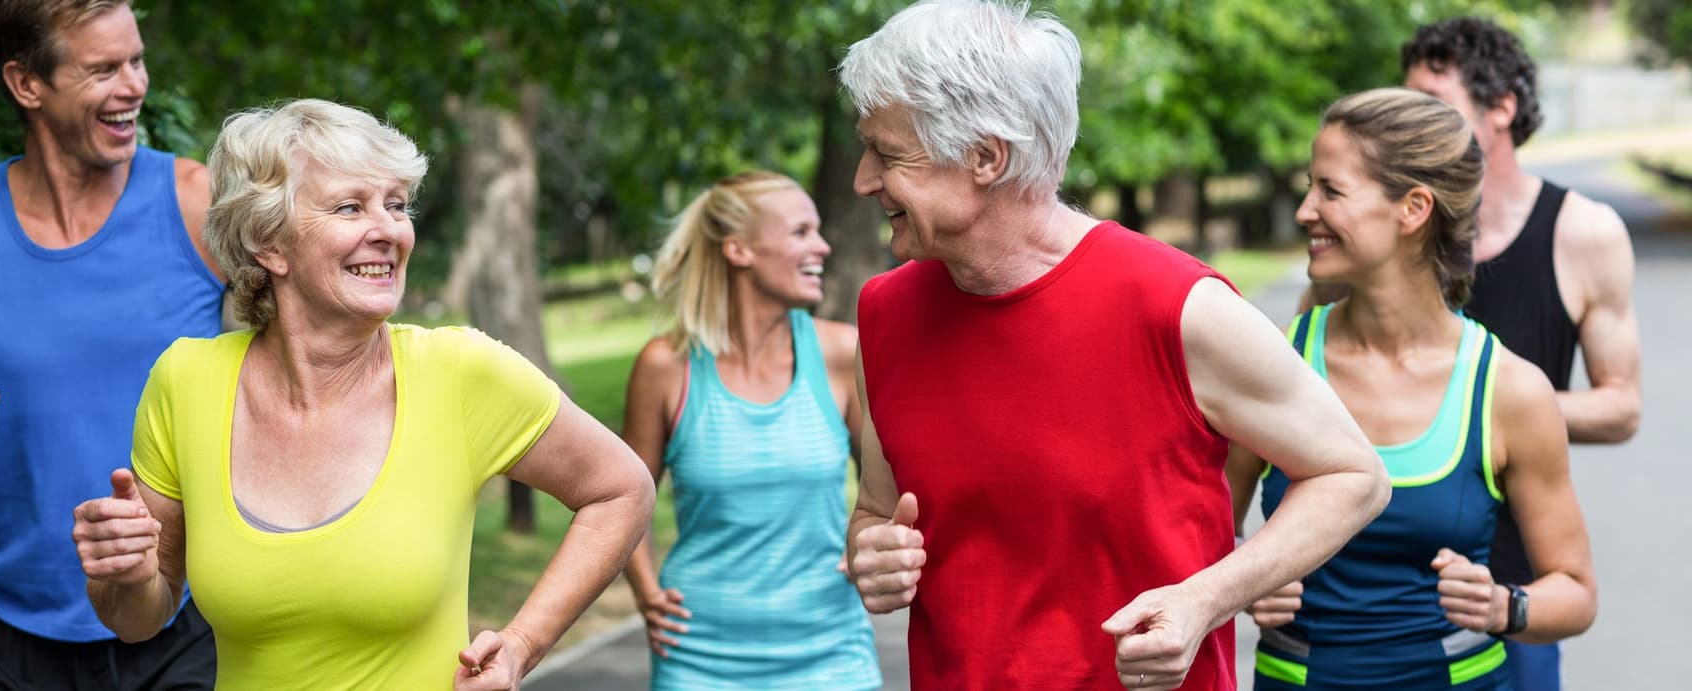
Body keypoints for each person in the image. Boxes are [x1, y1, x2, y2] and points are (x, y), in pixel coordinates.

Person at [833, 2, 1395, 689]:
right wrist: (872, 550)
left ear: (985, 157)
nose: (863, 179)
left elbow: (1354, 476)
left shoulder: (1177, 306)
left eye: (887, 154)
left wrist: (1205, 598)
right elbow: (876, 512)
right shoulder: (885, 314)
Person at [68, 99, 656, 689]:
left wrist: (522, 645)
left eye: (396, 206)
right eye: (351, 207)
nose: (388, 231)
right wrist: (123, 575)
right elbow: (138, 620)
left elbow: (620, 489)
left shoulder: (459, 372)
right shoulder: (186, 380)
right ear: (268, 245)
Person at [0, 1, 224, 687]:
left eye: (136, 60)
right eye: (103, 69)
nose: (133, 85)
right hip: (11, 640)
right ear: (26, 84)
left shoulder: (199, 205)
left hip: (183, 622)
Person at [1232, 87, 1597, 690]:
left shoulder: (1507, 389)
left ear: (1413, 208)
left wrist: (1506, 607)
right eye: (1309, 186)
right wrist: (1243, 578)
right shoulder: (1272, 363)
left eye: (1331, 190)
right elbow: (1194, 535)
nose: (1304, 210)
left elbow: (1576, 591)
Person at [1401, 19, 1639, 688]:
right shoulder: (1383, 230)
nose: (1411, 128)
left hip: (1514, 580)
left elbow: (1621, 405)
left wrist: (1480, 407)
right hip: (1377, 583)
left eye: (1434, 106)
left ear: (1500, 108)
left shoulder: (1583, 233)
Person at [619, 171, 881, 688]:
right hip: (699, 657)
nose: (823, 247)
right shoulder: (666, 367)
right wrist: (645, 590)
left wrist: (872, 537)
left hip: (831, 653)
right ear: (738, 249)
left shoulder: (839, 352)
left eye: (819, 230)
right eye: (801, 232)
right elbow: (624, 497)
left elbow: (886, 485)